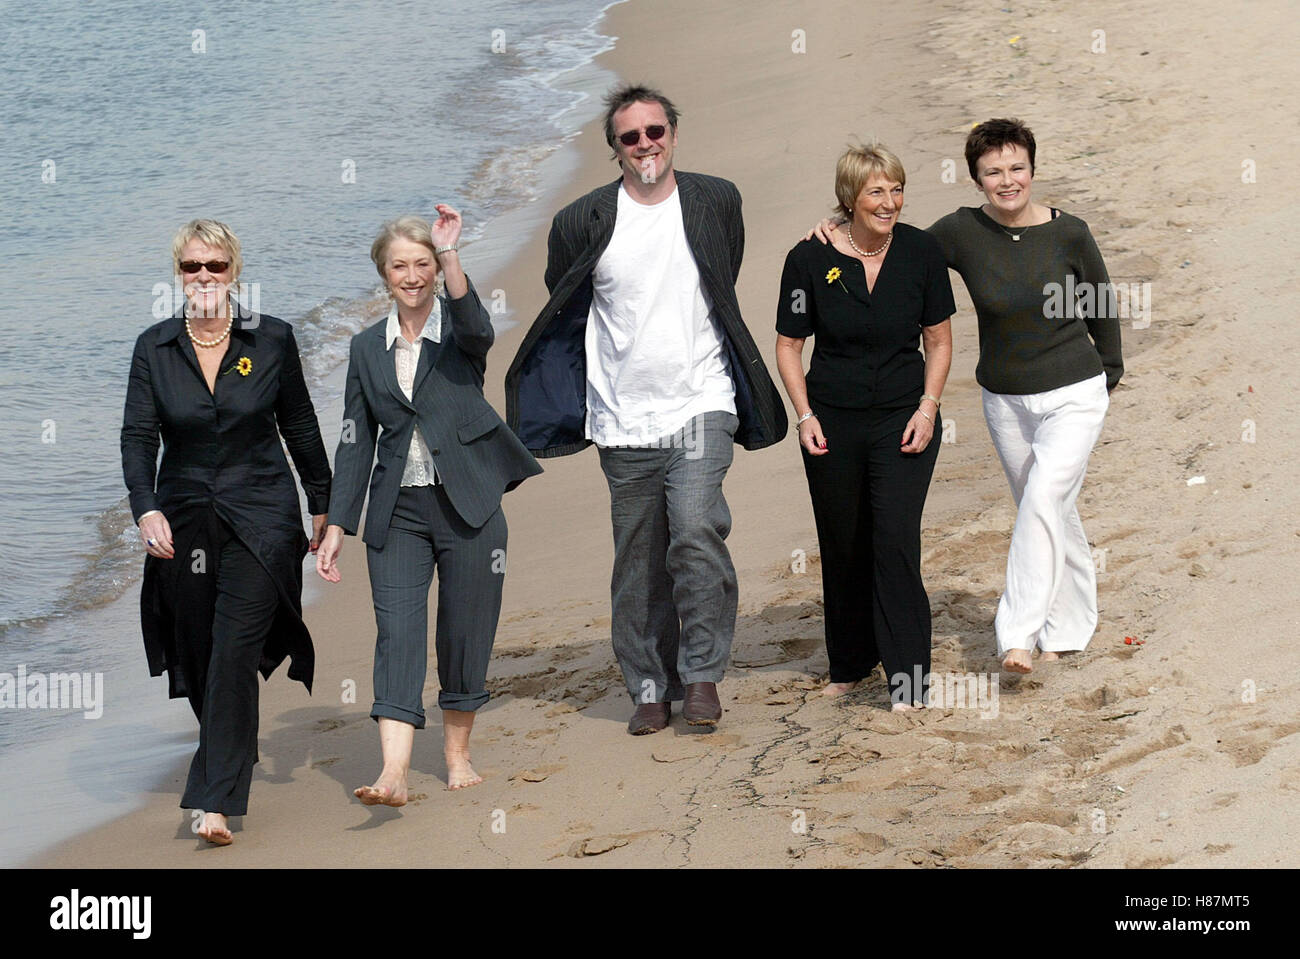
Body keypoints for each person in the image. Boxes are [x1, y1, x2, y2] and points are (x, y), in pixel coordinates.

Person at [505, 83, 787, 735]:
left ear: (674, 133)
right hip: (622, 418)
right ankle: (652, 685)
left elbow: (725, 268)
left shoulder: (716, 199)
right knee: (638, 559)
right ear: (615, 149)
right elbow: (564, 299)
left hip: (702, 398)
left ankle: (705, 672)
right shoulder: (582, 221)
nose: (645, 145)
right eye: (630, 137)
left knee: (693, 526)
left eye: (655, 131)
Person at [809, 118, 1123, 674]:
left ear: (1033, 169)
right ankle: (1069, 627)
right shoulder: (958, 232)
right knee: (1050, 507)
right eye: (993, 172)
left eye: (1017, 168)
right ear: (977, 179)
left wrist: (1108, 373)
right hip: (1005, 399)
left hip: (1074, 389)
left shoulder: (1069, 231)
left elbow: (1100, 301)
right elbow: (893, 241)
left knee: (1043, 499)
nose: (1008, 181)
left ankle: (1018, 634)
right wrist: (837, 226)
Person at [316, 208, 541, 802]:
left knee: (465, 631)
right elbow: (354, 437)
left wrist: (450, 253)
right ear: (383, 275)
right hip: (398, 512)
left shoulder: (459, 333)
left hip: (469, 503)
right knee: (397, 633)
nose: (412, 276)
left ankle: (457, 753)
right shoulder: (366, 349)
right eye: (400, 266)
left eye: (421, 265)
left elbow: (479, 328)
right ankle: (392, 772)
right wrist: (339, 522)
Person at [121, 218, 331, 846]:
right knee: (198, 650)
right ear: (178, 275)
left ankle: (213, 801)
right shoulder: (154, 347)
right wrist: (145, 508)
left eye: (215, 266)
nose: (204, 277)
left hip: (262, 515)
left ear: (235, 271)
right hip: (184, 519)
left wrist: (325, 505)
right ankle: (231, 744)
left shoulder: (271, 340)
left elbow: (299, 424)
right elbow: (138, 437)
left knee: (234, 649)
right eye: (192, 267)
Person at [777, 144, 954, 708]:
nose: (889, 202)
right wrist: (803, 415)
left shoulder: (923, 252)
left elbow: (940, 340)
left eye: (896, 189)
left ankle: (908, 680)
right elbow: (788, 346)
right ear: (849, 198)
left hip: (906, 419)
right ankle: (850, 662)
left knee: (895, 541)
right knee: (844, 543)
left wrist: (928, 407)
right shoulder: (808, 258)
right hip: (831, 423)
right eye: (876, 191)